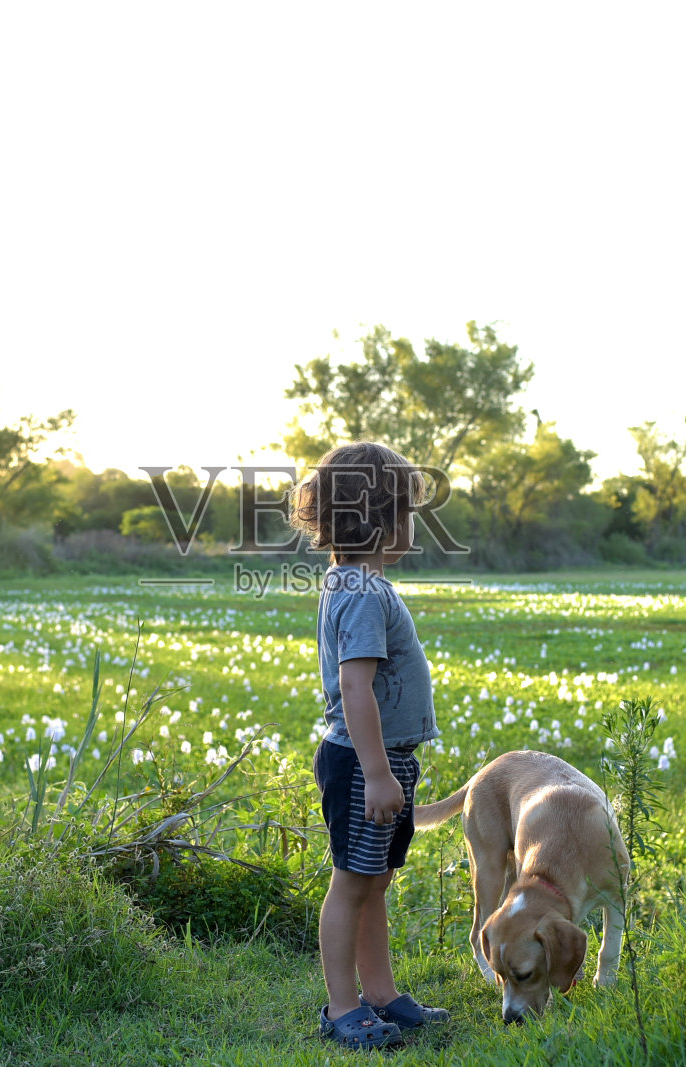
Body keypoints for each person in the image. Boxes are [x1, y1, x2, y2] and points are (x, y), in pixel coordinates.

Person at [287, 441, 449, 1050]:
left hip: (380, 760)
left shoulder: (358, 583)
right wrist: (379, 774)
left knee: (374, 877)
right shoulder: (359, 590)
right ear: (381, 519)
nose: (411, 525)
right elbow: (355, 688)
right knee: (352, 881)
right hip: (363, 762)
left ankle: (380, 994)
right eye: (407, 512)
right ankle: (340, 1008)